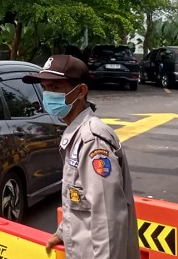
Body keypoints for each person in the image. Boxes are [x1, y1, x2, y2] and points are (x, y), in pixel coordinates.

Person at [22, 55, 138, 259]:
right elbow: (80, 202)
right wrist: (63, 232)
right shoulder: (76, 134)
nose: (48, 95)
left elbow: (108, 217)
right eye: (45, 88)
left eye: (56, 88)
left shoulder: (92, 140)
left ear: (81, 91)